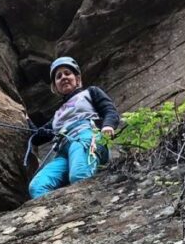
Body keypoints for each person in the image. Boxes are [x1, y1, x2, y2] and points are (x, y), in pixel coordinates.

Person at [27, 57, 120, 199]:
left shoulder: (90, 92)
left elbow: (109, 110)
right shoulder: (58, 114)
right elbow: (38, 136)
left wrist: (108, 126)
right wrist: (25, 119)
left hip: (86, 138)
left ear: (77, 78)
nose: (63, 77)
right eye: (58, 76)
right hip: (63, 150)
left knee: (79, 175)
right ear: (55, 87)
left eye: (67, 73)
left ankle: (87, 213)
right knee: (38, 186)